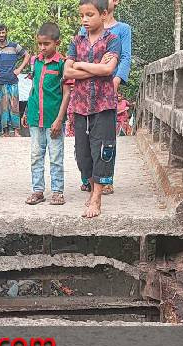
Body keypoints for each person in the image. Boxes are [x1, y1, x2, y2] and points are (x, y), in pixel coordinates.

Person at [64, 0, 121, 218]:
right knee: (82, 154)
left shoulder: (112, 40)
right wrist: (95, 69)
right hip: (80, 105)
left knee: (102, 151)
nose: (85, 20)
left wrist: (79, 64)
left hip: (103, 104)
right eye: (82, 15)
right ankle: (89, 186)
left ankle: (96, 198)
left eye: (90, 14)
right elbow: (67, 73)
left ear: (103, 14)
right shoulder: (76, 41)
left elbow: (109, 69)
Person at [77, 0, 132, 194]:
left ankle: (106, 180)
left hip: (108, 88)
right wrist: (97, 69)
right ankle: (89, 178)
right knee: (84, 139)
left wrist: (115, 80)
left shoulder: (122, 30)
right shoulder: (83, 31)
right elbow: (75, 62)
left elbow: (124, 57)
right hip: (85, 93)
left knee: (106, 138)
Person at [22, 22, 72, 206]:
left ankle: (57, 191)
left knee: (56, 156)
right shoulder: (35, 62)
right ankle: (38, 191)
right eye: (40, 44)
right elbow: (34, 88)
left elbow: (66, 93)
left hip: (53, 119)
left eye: (46, 44)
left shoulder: (62, 64)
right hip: (36, 116)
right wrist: (27, 110)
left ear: (56, 43)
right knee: (36, 155)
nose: (42, 48)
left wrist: (59, 119)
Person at [0, 24, 30, 137]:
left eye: (3, 32)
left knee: (14, 106)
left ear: (6, 32)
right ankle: (5, 132)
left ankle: (16, 132)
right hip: (0, 81)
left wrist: (19, 69)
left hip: (13, 80)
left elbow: (27, 56)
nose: (1, 35)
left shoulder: (14, 46)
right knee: (3, 107)